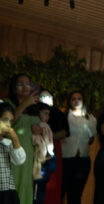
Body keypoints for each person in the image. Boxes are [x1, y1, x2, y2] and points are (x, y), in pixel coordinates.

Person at [8, 74, 42, 204]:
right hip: (12, 155)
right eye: (20, 84)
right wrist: (25, 103)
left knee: (26, 187)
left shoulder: (34, 107)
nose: (25, 87)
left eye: (28, 84)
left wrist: (40, 131)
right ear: (14, 88)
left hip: (30, 156)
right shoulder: (7, 104)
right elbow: (7, 122)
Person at [61, 91, 96, 204]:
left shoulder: (90, 118)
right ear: (69, 102)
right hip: (66, 159)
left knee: (76, 195)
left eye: (79, 98)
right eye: (73, 99)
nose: (76, 101)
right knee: (61, 192)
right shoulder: (64, 117)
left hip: (82, 160)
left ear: (83, 101)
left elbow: (92, 138)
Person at [38, 90, 68, 204]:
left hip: (52, 148)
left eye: (48, 96)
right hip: (37, 150)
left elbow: (65, 132)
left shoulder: (58, 114)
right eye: (43, 96)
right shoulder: (33, 112)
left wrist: (48, 136)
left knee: (52, 181)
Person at [0, 101, 26, 204]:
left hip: (7, 193)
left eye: (10, 121)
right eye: (4, 120)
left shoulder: (8, 143)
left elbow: (20, 160)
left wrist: (15, 139)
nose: (8, 124)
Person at [33, 103, 57, 204]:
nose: (47, 117)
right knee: (38, 191)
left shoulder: (45, 126)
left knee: (39, 190)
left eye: (48, 114)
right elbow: (47, 142)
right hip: (41, 160)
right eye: (45, 113)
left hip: (43, 160)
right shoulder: (42, 126)